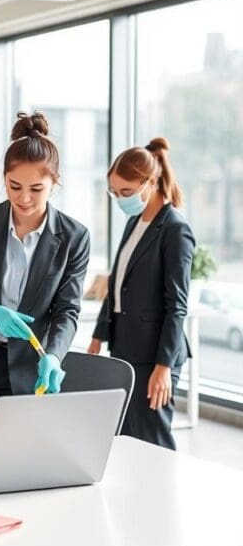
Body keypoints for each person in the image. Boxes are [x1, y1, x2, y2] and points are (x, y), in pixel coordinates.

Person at [0, 111, 90, 442]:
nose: (24, 198)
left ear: (55, 182)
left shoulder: (74, 237)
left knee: (14, 470)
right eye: (14, 186)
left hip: (28, 372)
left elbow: (68, 311)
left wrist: (53, 355)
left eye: (37, 188)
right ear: (3, 179)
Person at [88, 138, 194, 450]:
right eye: (114, 193)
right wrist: (97, 337)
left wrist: (163, 366)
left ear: (149, 182)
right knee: (128, 438)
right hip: (126, 349)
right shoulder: (134, 221)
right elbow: (118, 283)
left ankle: (162, 498)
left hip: (155, 355)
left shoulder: (175, 229)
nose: (120, 199)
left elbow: (177, 305)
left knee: (153, 440)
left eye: (126, 192)